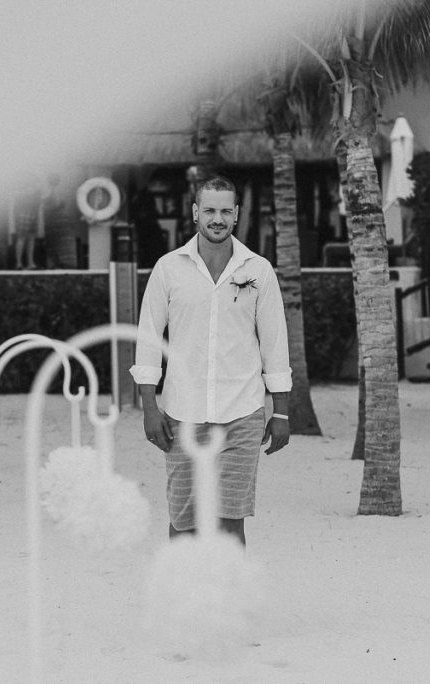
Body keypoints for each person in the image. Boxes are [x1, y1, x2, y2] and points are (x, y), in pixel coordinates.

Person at [129, 175, 291, 546]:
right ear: (195, 213)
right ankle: (185, 601)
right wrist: (149, 408)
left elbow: (275, 344)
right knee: (184, 522)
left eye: (224, 211)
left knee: (231, 523)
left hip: (243, 413)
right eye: (209, 210)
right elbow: (149, 339)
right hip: (181, 413)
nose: (216, 219)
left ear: (236, 215)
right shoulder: (168, 269)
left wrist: (280, 411)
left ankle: (228, 603)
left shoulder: (259, 270)